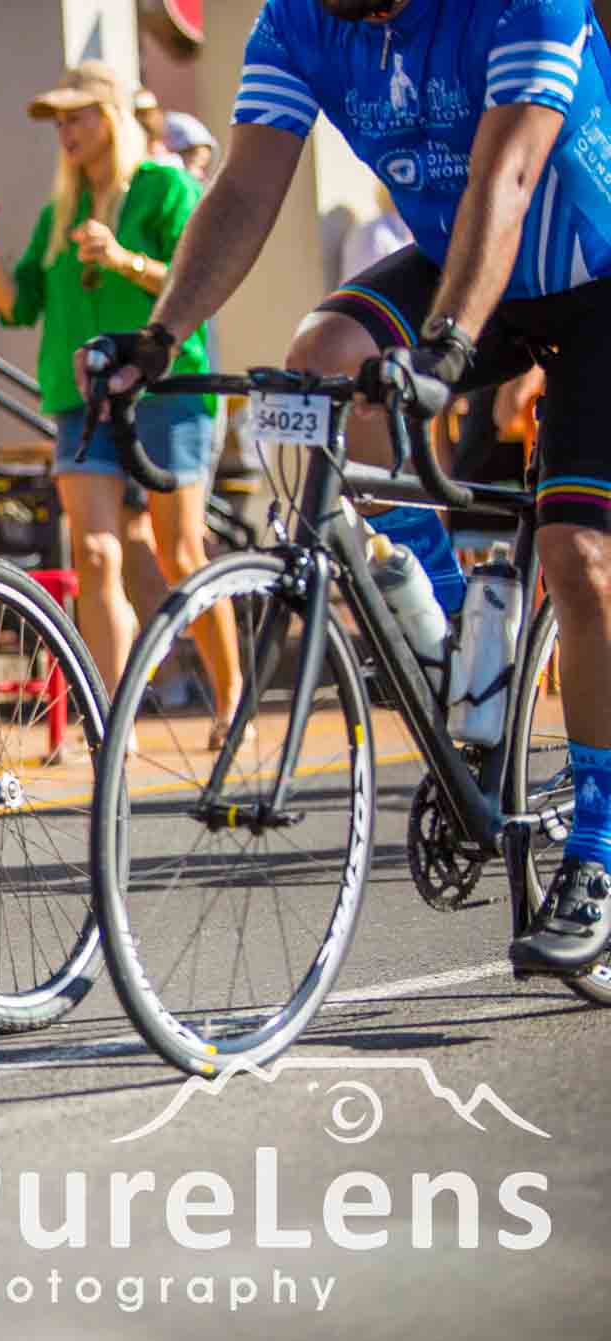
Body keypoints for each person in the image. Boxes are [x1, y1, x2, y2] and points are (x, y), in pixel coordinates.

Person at [81, 0, 611, 977]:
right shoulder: (294, 22)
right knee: (320, 359)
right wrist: (160, 337)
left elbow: (507, 172)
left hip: (593, 281)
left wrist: (446, 349)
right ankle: (453, 654)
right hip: (465, 259)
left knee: (577, 558)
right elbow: (245, 188)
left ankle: (597, 850)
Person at [0, 60, 244, 746]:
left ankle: (232, 698)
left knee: (180, 552)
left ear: (112, 117)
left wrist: (121, 260)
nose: (66, 131)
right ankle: (114, 719)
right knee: (93, 553)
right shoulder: (60, 213)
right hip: (82, 399)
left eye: (78, 115)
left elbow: (197, 280)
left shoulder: (164, 187)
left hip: (164, 389)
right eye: (59, 121)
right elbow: (15, 306)